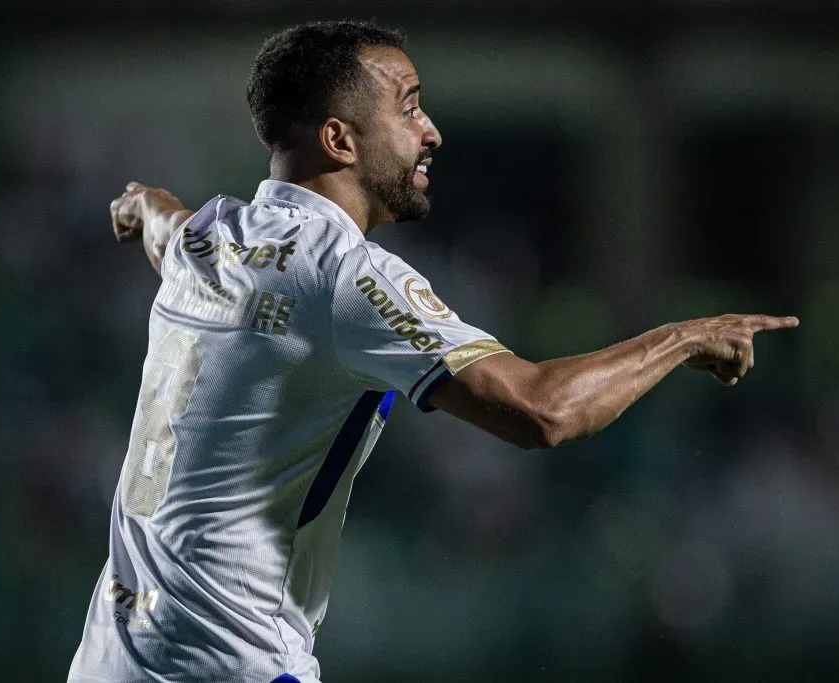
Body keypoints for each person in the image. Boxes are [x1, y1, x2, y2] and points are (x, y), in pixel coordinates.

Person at [68, 20, 798, 683]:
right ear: (339, 139)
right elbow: (541, 410)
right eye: (410, 105)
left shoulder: (209, 239)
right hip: (232, 666)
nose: (432, 130)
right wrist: (685, 335)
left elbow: (163, 222)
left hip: (110, 659)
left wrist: (140, 204)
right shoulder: (342, 273)